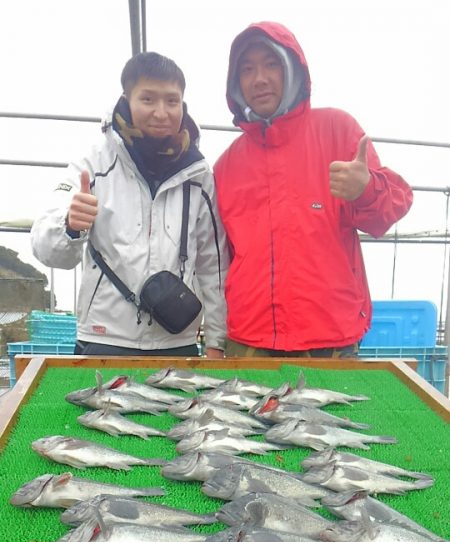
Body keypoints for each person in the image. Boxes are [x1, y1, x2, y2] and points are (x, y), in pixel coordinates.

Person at [214, 21, 413, 358]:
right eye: (247, 69)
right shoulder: (225, 165)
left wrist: (366, 190)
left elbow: (391, 209)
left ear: (292, 68)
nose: (259, 78)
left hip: (330, 340)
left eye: (271, 64)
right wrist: (216, 341)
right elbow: (217, 260)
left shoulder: (338, 129)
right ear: (236, 82)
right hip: (248, 340)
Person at [31, 52, 228, 358]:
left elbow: (212, 265)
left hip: (178, 342)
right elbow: (46, 247)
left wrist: (217, 341)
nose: (161, 112)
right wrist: (70, 227)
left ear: (183, 104)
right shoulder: (92, 165)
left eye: (172, 101)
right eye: (147, 99)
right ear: (127, 99)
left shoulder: (200, 175)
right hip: (103, 339)